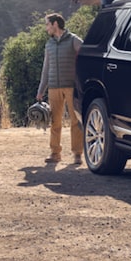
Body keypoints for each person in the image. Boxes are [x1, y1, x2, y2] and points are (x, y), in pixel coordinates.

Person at [36, 13, 83, 164]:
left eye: (47, 24)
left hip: (71, 87)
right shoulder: (48, 44)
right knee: (55, 121)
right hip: (53, 88)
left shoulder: (74, 40)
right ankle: (55, 153)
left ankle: (77, 154)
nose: (46, 28)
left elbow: (86, 55)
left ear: (55, 24)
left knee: (75, 121)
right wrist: (41, 90)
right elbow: (46, 68)